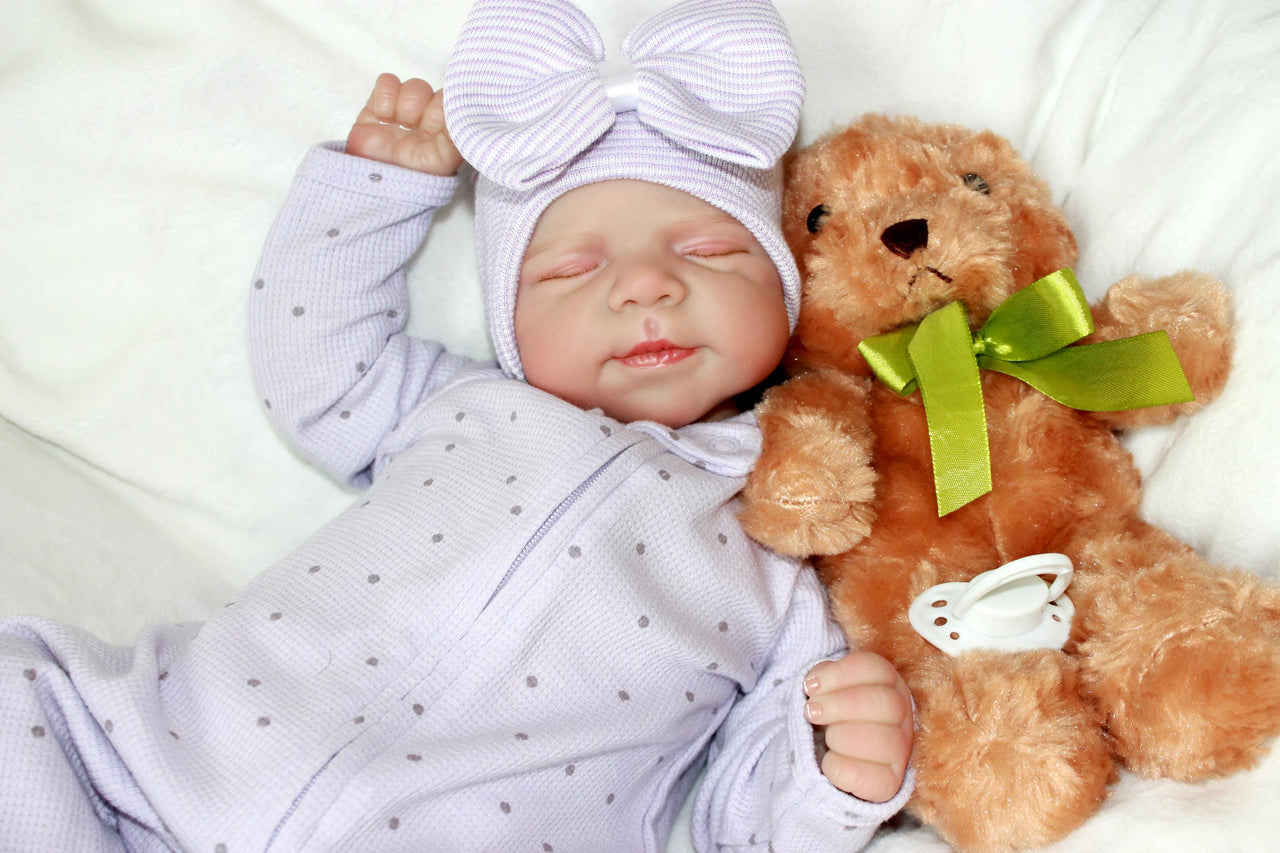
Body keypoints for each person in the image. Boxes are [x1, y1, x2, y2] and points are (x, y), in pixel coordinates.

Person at [0, 1, 912, 850]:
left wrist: (836, 771)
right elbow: (318, 369)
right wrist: (372, 203)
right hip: (160, 760)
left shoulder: (781, 555)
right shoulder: (461, 405)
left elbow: (739, 820)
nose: (643, 284)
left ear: (787, 297)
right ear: (508, 318)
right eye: (568, 271)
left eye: (708, 251)